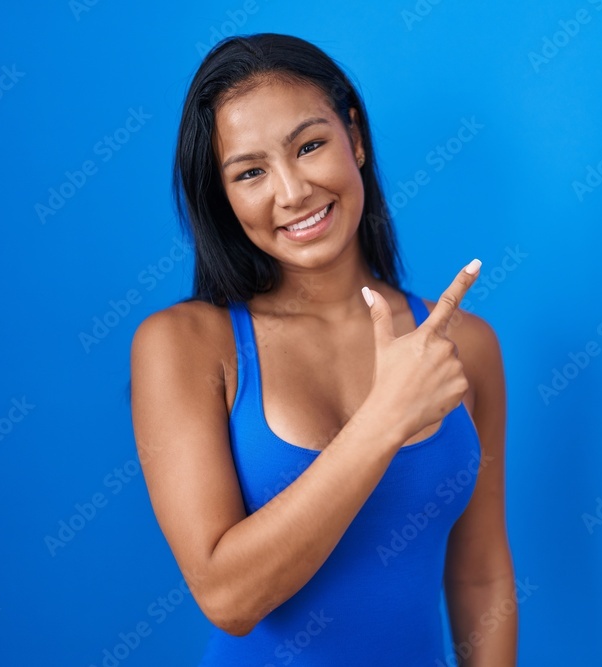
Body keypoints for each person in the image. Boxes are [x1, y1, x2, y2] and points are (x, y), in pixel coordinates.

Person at [129, 33, 516, 665]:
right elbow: (229, 597)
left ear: (355, 139)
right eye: (250, 172)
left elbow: (481, 576)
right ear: (223, 196)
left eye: (309, 146)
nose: (292, 192)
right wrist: (386, 418)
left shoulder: (462, 346)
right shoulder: (185, 345)